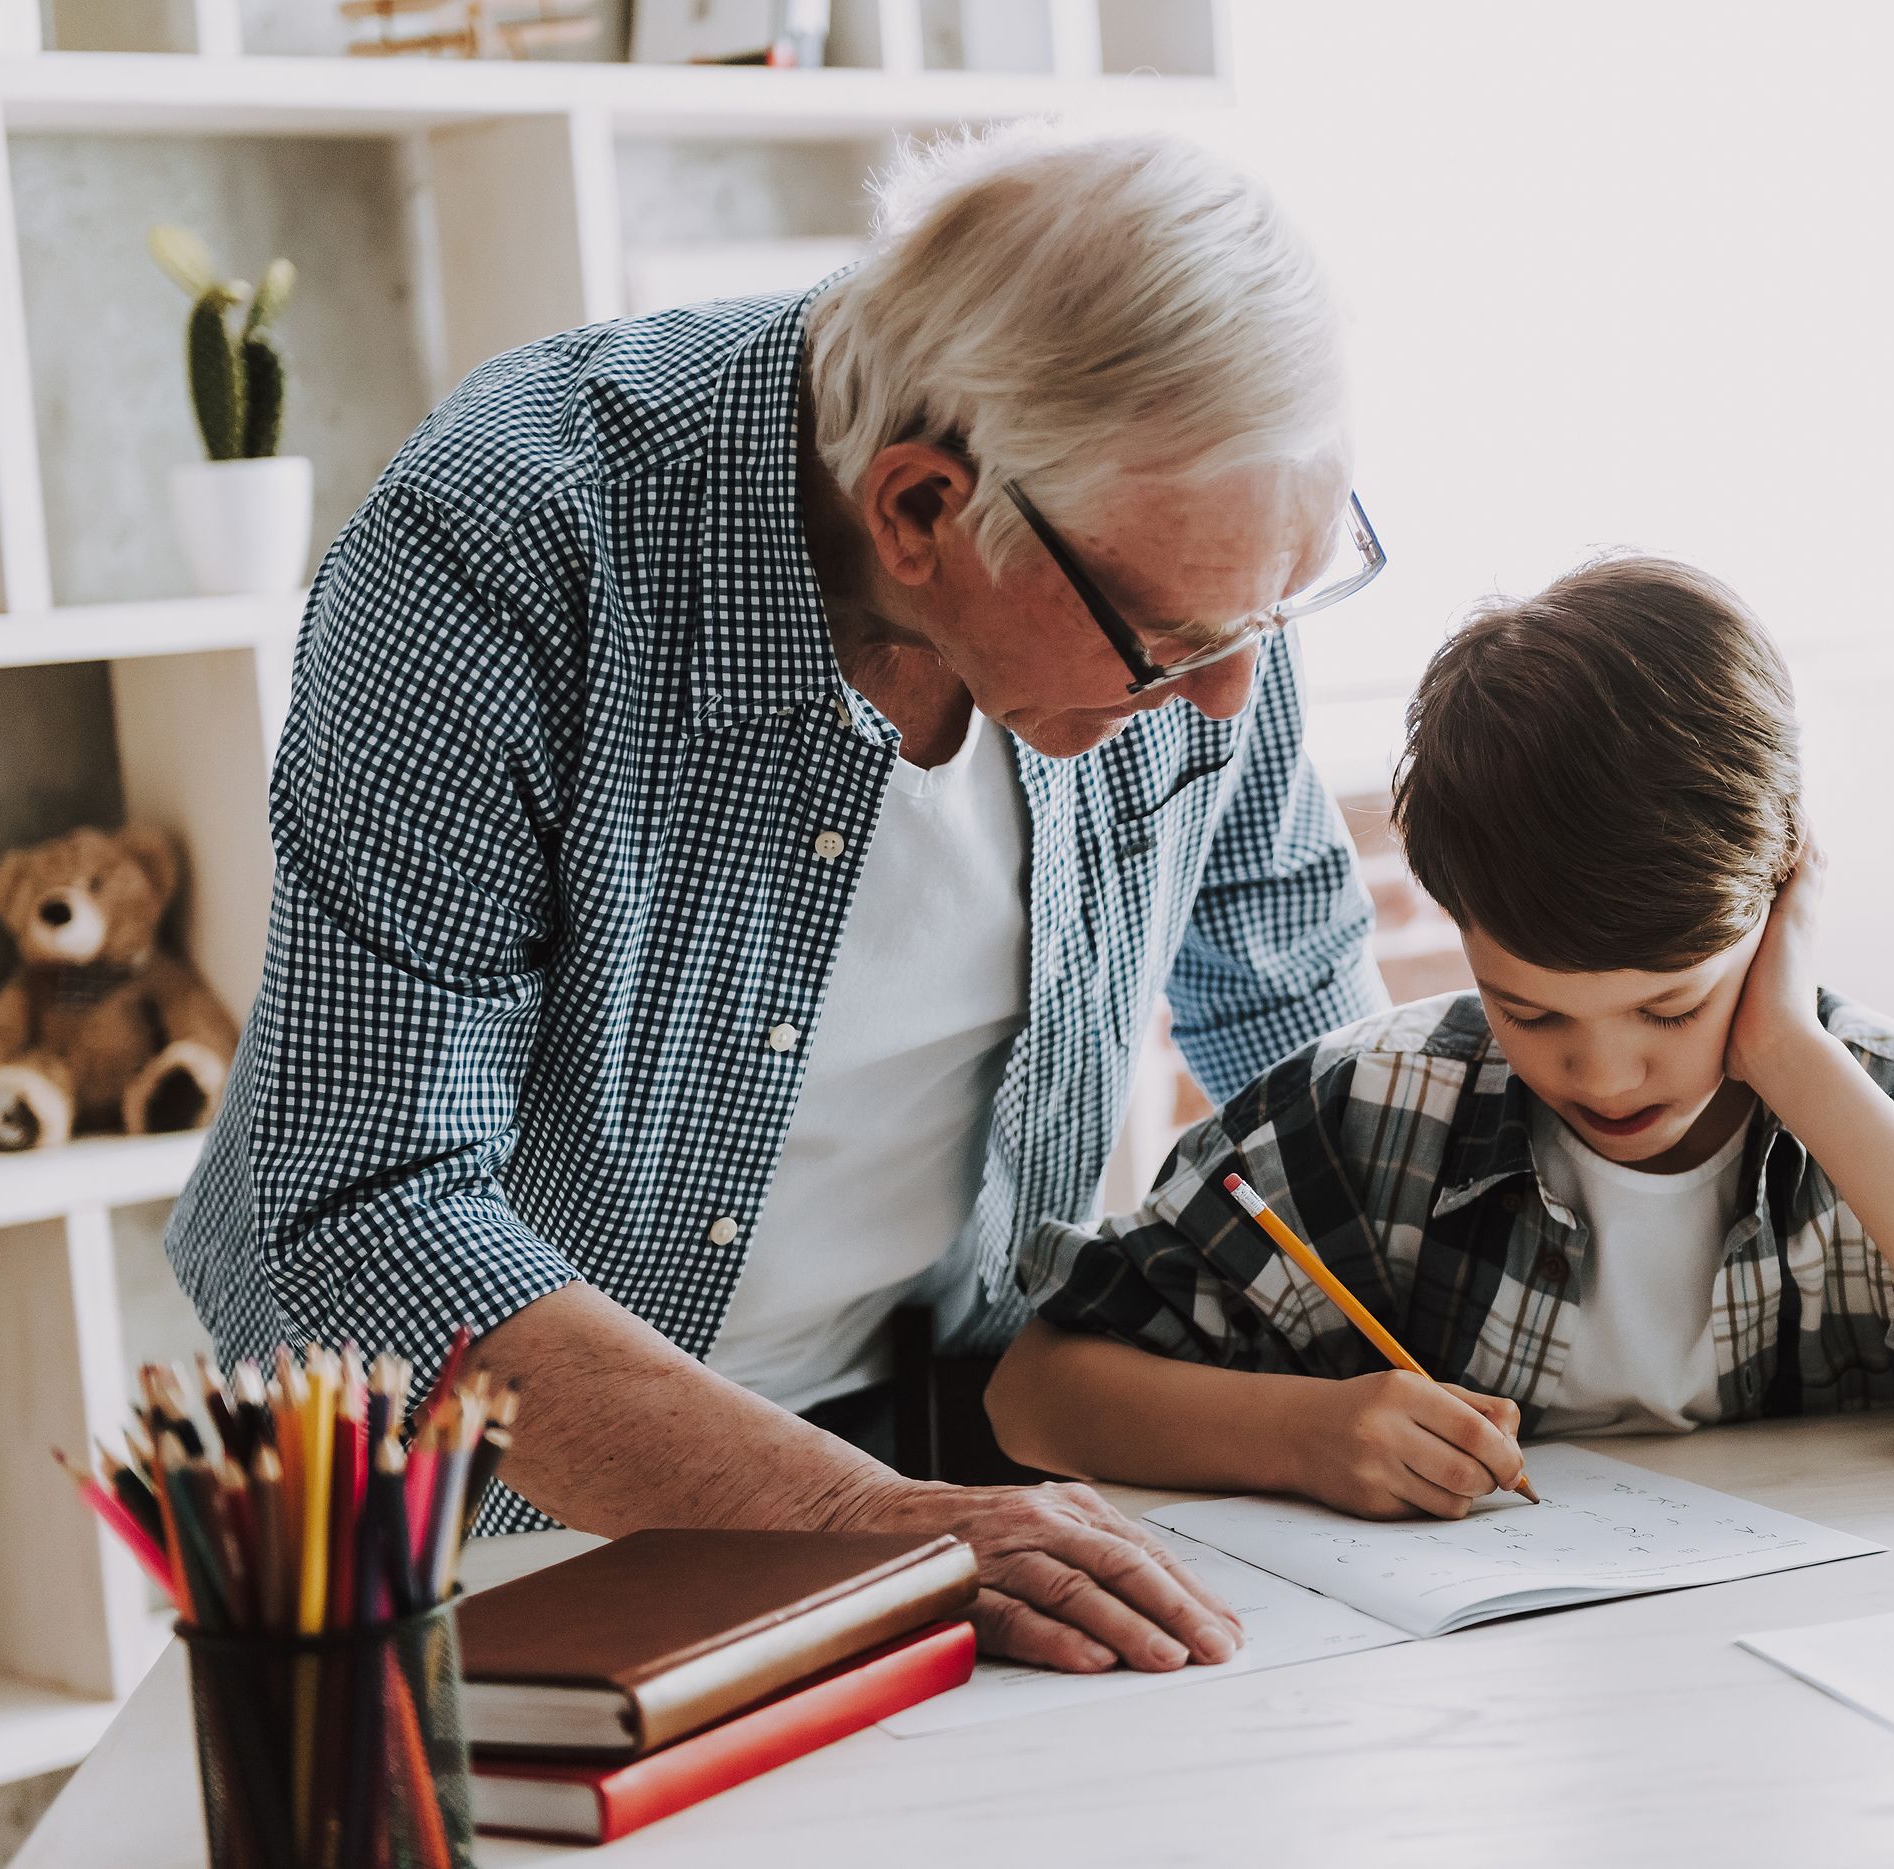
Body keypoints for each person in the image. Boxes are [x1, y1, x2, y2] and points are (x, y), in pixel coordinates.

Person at [166, 126, 1394, 1674]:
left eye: (1271, 619)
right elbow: (366, 1215)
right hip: (475, 1511)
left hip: (939, 1443)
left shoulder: (1176, 550)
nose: (1230, 698)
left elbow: (1295, 1004)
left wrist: (1426, 1343)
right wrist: (891, 1527)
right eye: (1172, 642)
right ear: (921, 512)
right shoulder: (509, 541)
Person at [989, 555, 1894, 1516]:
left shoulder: (1891, 1105)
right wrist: (1299, 1433)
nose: (1600, 1072)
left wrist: (1792, 1055)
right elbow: (1036, 1394)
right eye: (1530, 1010)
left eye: (1671, 1007)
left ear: (1780, 896)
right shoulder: (1379, 1109)